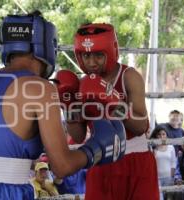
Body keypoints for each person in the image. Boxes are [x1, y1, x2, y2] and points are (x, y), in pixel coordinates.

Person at [0, 12, 126, 200]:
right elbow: (62, 167)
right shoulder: (40, 88)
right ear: (46, 45)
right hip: (4, 192)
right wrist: (95, 149)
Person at [59, 23, 159, 199]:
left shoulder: (129, 76)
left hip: (136, 160)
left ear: (111, 52)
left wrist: (113, 102)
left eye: (98, 55)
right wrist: (68, 107)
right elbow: (79, 136)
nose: (91, 62)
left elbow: (141, 126)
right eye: (86, 56)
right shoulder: (81, 85)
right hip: (100, 160)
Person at [150, 127, 177, 200]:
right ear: (156, 136)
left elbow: (173, 163)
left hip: (168, 178)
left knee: (168, 198)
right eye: (159, 134)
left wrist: (171, 178)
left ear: (166, 135)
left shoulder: (171, 147)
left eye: (163, 134)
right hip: (157, 178)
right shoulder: (152, 148)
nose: (161, 136)